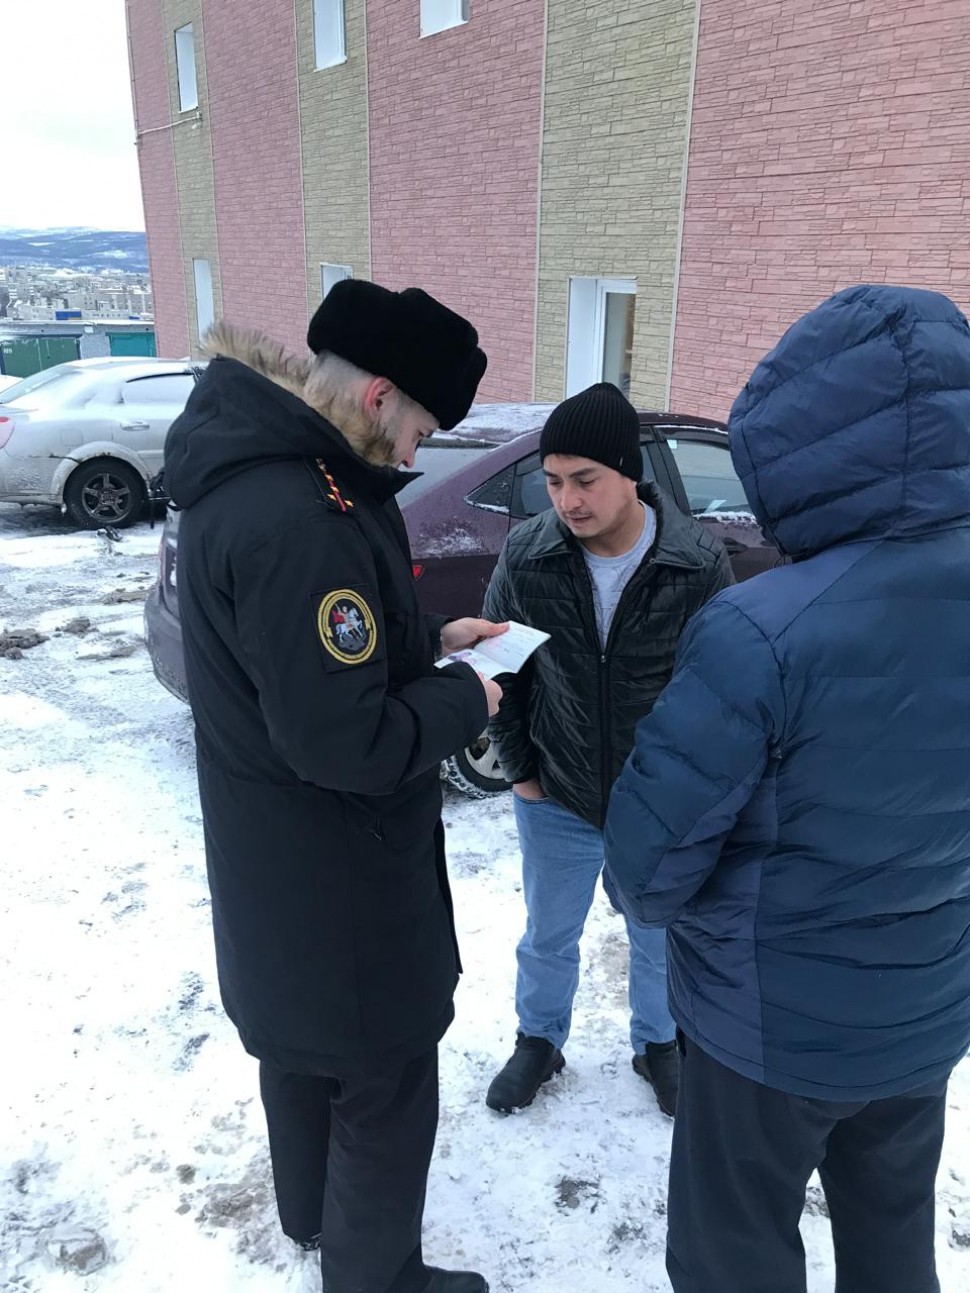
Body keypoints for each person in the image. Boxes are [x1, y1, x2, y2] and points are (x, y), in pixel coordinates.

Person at [605, 284, 970, 1293]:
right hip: (925, 1008)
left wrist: (638, 891)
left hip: (765, 1027)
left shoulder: (762, 627)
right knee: (893, 1241)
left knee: (733, 1256)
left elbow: (649, 863)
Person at [163, 279, 506, 1293]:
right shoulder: (301, 515)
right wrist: (465, 697)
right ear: (377, 397)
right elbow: (344, 744)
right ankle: (378, 1277)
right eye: (419, 429)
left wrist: (428, 640)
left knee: (303, 1061)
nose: (414, 453)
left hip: (281, 878)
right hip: (342, 888)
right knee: (383, 1084)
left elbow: (307, 675)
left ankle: (312, 1220)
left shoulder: (270, 480)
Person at [481, 382, 733, 1116]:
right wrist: (522, 771)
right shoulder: (529, 556)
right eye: (554, 481)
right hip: (556, 790)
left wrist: (691, 792)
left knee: (657, 935)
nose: (568, 499)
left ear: (629, 472)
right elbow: (500, 667)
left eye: (585, 479)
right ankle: (539, 1038)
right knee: (548, 933)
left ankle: (660, 1041)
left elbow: (716, 689)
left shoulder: (694, 562)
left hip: (653, 802)